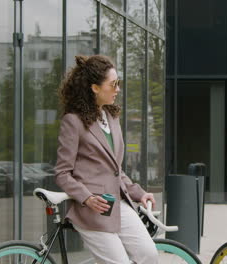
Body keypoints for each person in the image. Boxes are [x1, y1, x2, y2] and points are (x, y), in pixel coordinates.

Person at [55, 55, 158, 264]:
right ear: (95, 88)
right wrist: (87, 197)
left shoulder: (111, 118)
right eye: (113, 84)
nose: (118, 89)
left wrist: (139, 193)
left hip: (118, 204)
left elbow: (116, 170)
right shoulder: (73, 122)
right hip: (92, 211)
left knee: (149, 254)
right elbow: (62, 173)